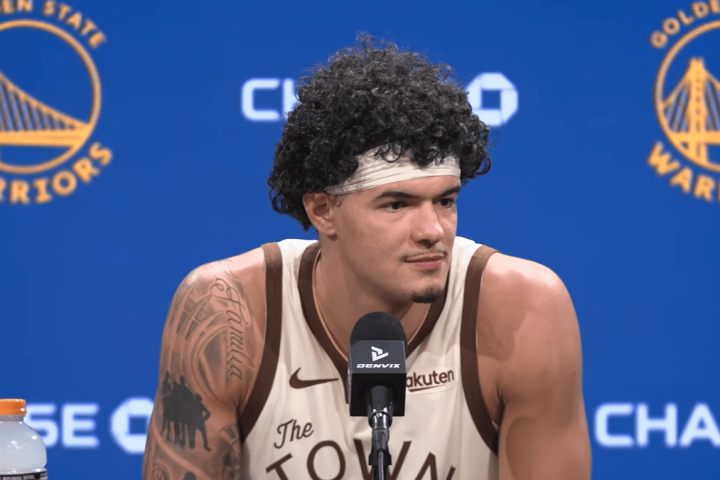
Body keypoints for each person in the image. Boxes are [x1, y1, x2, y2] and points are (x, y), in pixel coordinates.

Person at [142, 35, 591, 480]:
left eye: (445, 201)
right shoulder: (227, 311)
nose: (433, 231)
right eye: (396, 205)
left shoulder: (523, 311)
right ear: (323, 210)